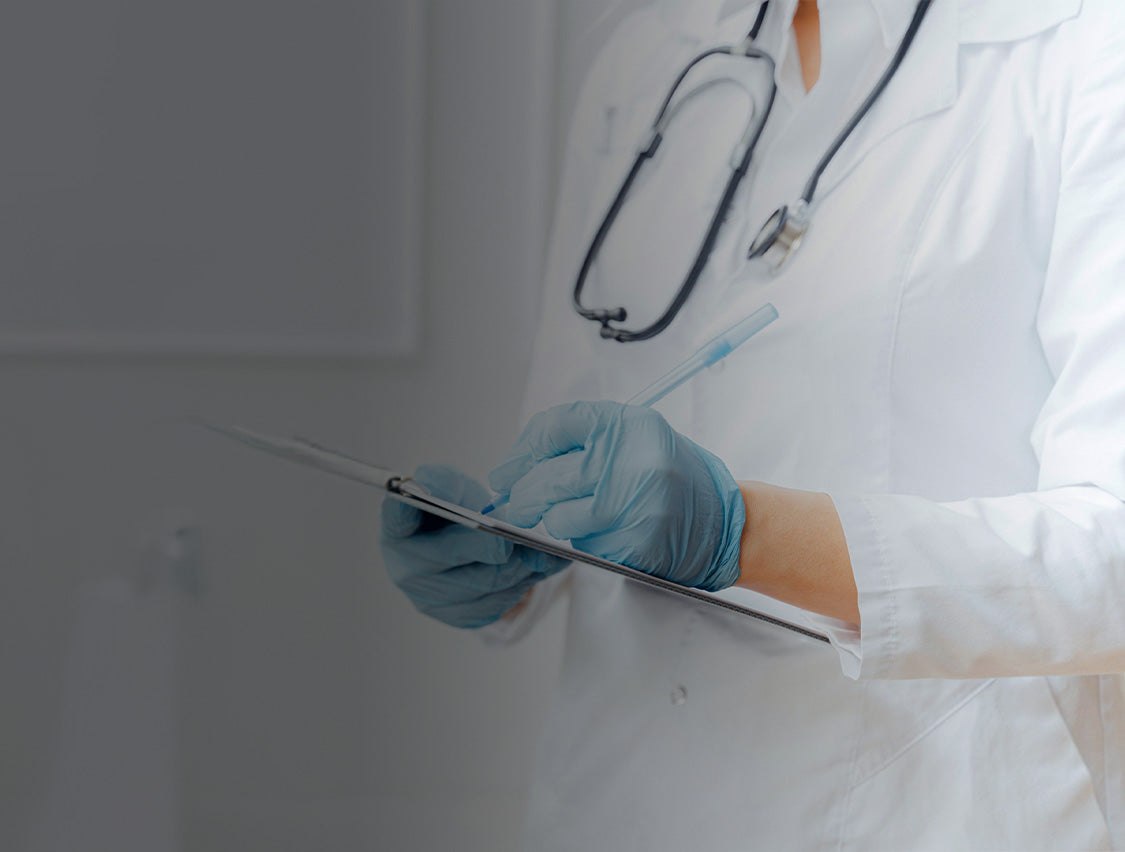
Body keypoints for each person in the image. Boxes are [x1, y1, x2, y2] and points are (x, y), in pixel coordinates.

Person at [382, 0, 1125, 848]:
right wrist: (502, 546)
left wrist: (740, 535)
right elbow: (566, 430)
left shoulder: (1087, 44)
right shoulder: (651, 56)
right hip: (616, 800)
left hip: (921, 813)